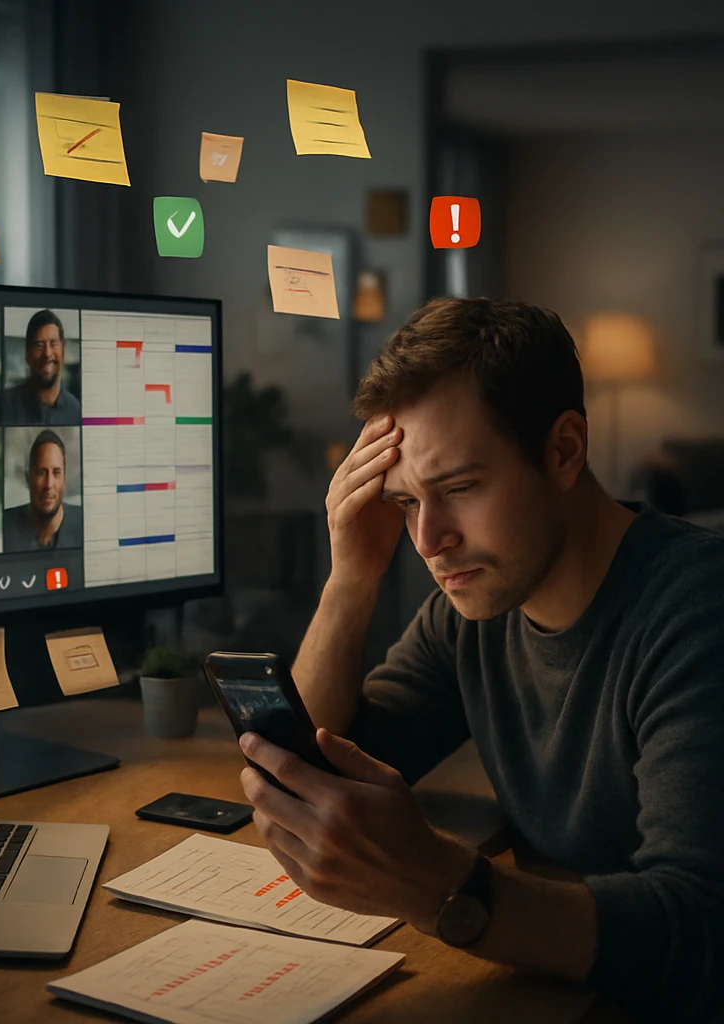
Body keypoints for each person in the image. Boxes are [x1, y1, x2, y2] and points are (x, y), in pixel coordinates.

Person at [235, 297, 724, 1022]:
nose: (430, 540)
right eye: (404, 503)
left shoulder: (697, 611)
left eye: (458, 489)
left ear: (564, 451)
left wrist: (439, 886)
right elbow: (317, 772)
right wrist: (352, 577)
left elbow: (698, 933)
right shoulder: (472, 616)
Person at [2, 429, 82, 551]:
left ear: (64, 479)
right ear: (28, 479)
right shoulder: (5, 527)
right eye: (41, 473)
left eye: (56, 473)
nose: (49, 484)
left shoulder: (84, 523)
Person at [0, 309, 80, 424]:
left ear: (63, 349)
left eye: (54, 343)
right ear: (27, 354)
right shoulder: (3, 406)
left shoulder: (75, 410)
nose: (47, 353)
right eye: (39, 345)